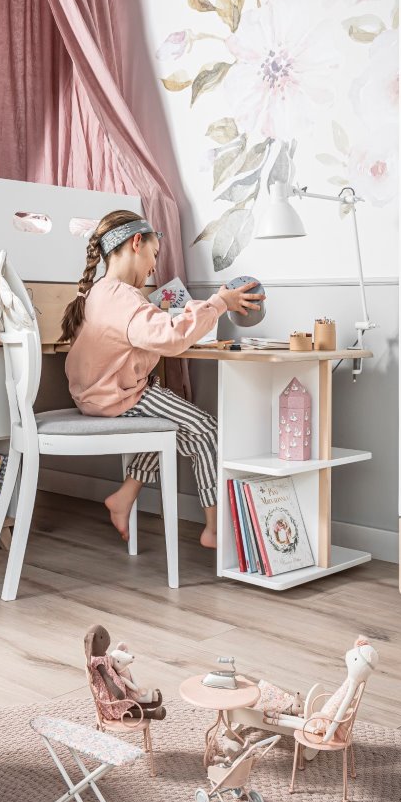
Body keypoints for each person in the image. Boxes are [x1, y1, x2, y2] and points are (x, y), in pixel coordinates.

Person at [60, 210, 260, 548]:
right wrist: (218, 304)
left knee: (167, 424)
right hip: (118, 398)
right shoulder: (123, 298)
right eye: (154, 254)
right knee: (206, 430)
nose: (154, 266)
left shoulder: (99, 292)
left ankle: (125, 496)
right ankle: (214, 529)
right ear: (136, 243)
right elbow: (172, 339)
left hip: (96, 397)